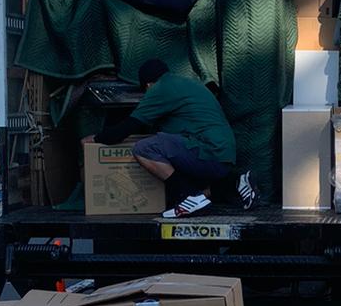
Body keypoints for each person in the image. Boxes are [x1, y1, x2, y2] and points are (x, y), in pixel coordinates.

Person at [94, 58, 258, 217]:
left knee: (144, 148)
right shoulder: (184, 84)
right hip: (222, 155)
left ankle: (188, 198)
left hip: (210, 151)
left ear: (148, 84)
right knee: (175, 162)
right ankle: (235, 182)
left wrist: (95, 139)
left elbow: (126, 128)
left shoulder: (160, 88)